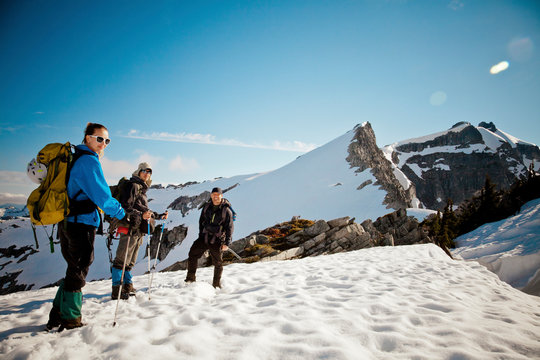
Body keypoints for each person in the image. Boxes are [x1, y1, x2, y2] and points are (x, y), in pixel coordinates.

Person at [46, 123, 126, 331]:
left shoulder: (76, 158)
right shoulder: (88, 162)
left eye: (107, 140)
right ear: (88, 138)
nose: (103, 144)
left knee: (74, 268)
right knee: (80, 267)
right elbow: (102, 196)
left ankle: (57, 314)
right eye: (99, 139)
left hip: (67, 222)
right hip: (80, 223)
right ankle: (71, 319)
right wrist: (120, 213)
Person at [111, 162, 168, 300]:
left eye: (149, 172)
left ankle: (127, 285)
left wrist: (158, 216)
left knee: (130, 260)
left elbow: (143, 209)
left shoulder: (141, 188)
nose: (147, 173)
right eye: (144, 171)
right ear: (138, 171)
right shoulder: (133, 185)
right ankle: (117, 289)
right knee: (122, 259)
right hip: (129, 227)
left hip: (137, 229)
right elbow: (125, 207)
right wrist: (140, 215)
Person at [185, 187, 234, 288]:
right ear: (211, 196)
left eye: (218, 195)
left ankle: (216, 284)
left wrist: (227, 243)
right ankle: (190, 279)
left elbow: (230, 228)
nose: (215, 197)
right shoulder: (206, 207)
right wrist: (200, 235)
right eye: (213, 195)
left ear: (221, 196)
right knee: (192, 254)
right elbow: (201, 221)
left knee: (218, 263)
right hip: (204, 237)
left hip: (217, 240)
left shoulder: (226, 210)